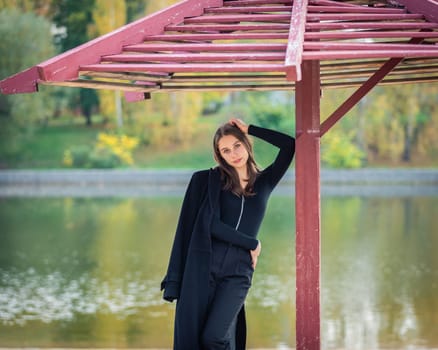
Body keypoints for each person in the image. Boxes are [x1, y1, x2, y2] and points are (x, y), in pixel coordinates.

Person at [161, 118, 295, 350]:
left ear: (246, 145)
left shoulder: (265, 182)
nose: (233, 154)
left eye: (237, 145)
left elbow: (290, 145)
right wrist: (252, 243)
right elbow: (210, 224)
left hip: (238, 274)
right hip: (205, 268)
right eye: (225, 150)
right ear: (219, 156)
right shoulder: (215, 183)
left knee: (214, 337)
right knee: (197, 336)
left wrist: (250, 128)